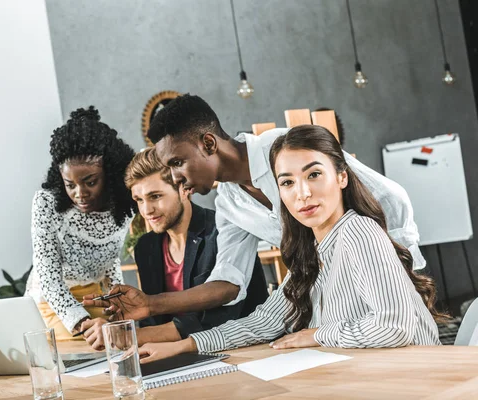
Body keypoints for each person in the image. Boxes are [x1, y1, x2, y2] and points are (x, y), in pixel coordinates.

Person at [83, 94, 426, 324]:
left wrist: (398, 272)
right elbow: (229, 283)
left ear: (208, 143)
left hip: (385, 292)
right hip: (330, 308)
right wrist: (151, 303)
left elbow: (390, 197)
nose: (174, 177)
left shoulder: (286, 147)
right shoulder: (229, 203)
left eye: (177, 162)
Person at [138, 125, 443, 363]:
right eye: (286, 182)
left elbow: (395, 327)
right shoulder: (310, 253)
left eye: (314, 175)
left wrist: (318, 335)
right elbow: (262, 323)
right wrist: (184, 346)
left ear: (341, 178)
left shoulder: (358, 231)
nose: (302, 193)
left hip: (413, 377)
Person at [79, 148, 268, 350]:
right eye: (139, 200)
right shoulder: (146, 247)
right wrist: (116, 327)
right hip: (179, 356)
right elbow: (152, 321)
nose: (146, 210)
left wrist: (125, 335)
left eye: (155, 196)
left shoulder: (223, 233)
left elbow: (215, 321)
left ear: (185, 189)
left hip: (246, 350)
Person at [24, 106, 136, 340]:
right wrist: (82, 323)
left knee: (118, 346)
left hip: (95, 297)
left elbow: (111, 260)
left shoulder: (123, 204)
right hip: (51, 303)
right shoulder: (46, 203)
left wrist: (119, 309)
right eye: (70, 184)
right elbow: (48, 278)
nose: (79, 193)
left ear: (109, 174)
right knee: (81, 356)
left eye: (90, 182)